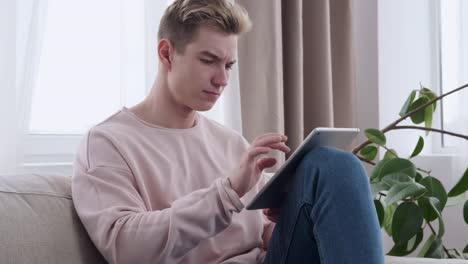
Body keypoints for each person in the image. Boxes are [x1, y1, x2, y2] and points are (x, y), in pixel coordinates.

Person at [72, 0, 384, 263]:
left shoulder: (230, 142)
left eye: (229, 65)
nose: (222, 79)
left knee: (331, 164)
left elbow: (264, 235)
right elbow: (125, 247)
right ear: (166, 53)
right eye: (209, 60)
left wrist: (294, 214)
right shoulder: (107, 142)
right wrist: (229, 192)